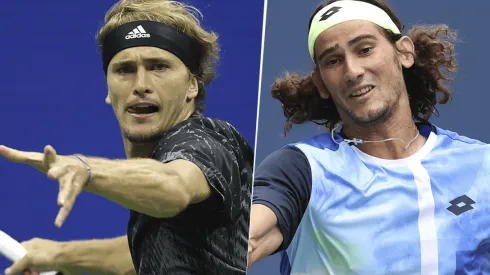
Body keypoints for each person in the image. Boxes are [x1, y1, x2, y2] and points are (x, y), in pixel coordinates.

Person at [1, 0, 253, 274]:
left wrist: (85, 169)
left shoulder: (210, 140)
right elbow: (139, 252)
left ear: (192, 85)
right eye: (125, 70)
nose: (141, 86)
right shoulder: (155, 204)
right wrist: (58, 256)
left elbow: (175, 186)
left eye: (158, 66)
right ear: (108, 88)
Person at [248, 0, 490, 274]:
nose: (352, 71)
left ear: (404, 53)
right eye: (333, 61)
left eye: (364, 49)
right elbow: (250, 239)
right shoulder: (302, 168)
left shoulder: (483, 167)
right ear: (321, 83)